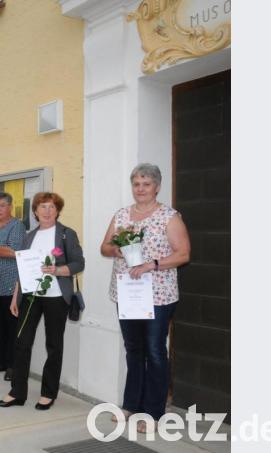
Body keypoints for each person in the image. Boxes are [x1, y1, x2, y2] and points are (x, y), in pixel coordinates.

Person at [100, 163, 190, 431]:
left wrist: (152, 263)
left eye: (146, 184)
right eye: (137, 184)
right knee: (133, 350)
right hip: (127, 294)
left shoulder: (169, 216)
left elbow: (183, 254)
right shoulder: (121, 215)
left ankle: (153, 412)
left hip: (158, 296)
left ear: (157, 187)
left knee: (154, 351)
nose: (141, 189)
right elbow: (104, 246)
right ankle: (132, 405)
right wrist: (117, 251)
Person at [0, 192, 85, 410]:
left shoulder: (66, 234)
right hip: (31, 296)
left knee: (54, 345)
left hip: (56, 297)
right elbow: (22, 267)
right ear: (35, 211)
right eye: (42, 207)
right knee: (21, 343)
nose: (47, 211)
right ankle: (17, 392)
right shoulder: (29, 236)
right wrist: (16, 297)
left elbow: (78, 263)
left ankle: (48, 393)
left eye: (51, 207)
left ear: (57, 211)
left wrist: (58, 270)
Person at [0, 193, 26, 381]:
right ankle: (0, 360)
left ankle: (13, 366)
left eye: (2, 206)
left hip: (10, 284)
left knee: (11, 327)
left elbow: (14, 251)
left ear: (10, 207)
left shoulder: (17, 225)